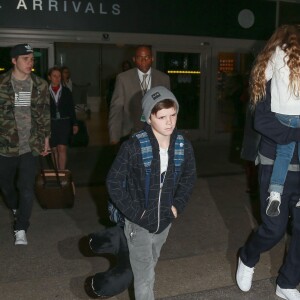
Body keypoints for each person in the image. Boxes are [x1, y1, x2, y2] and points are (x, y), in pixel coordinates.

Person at [106, 86, 197, 300]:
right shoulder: (134, 146)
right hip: (139, 223)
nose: (169, 122)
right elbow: (113, 182)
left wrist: (177, 206)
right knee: (144, 274)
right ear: (148, 118)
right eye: (162, 117)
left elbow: (189, 177)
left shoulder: (182, 145)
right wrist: (136, 214)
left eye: (173, 115)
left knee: (150, 265)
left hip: (164, 220)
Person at [236, 30, 300, 300]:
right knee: (273, 229)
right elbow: (261, 122)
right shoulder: (269, 82)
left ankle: (287, 282)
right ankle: (248, 256)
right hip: (274, 165)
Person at [0, 43, 50, 245]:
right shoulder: (2, 84)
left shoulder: (40, 85)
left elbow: (44, 115)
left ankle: (21, 227)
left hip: (30, 145)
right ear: (14, 60)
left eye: (32, 59)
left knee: (27, 189)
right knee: (6, 187)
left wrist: (46, 139)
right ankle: (14, 205)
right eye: (25, 59)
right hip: (4, 146)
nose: (30, 63)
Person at [250, 25, 300, 217]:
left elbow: (262, 76)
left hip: (283, 116)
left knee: (283, 152)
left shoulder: (277, 54)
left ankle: (275, 193)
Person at [108, 45, 170, 145]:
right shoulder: (123, 79)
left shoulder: (163, 79)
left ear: (152, 59)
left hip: (156, 133)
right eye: (140, 58)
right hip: (130, 133)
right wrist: (114, 137)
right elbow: (116, 109)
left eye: (147, 57)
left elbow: (168, 109)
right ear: (134, 59)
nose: (143, 60)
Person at [48, 66, 78, 170]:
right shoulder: (44, 92)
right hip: (51, 123)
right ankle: (57, 171)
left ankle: (62, 173)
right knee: (54, 149)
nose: (57, 78)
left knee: (62, 148)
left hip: (64, 123)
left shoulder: (66, 91)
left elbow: (71, 108)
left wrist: (75, 123)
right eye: (54, 76)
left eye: (59, 76)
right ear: (49, 77)